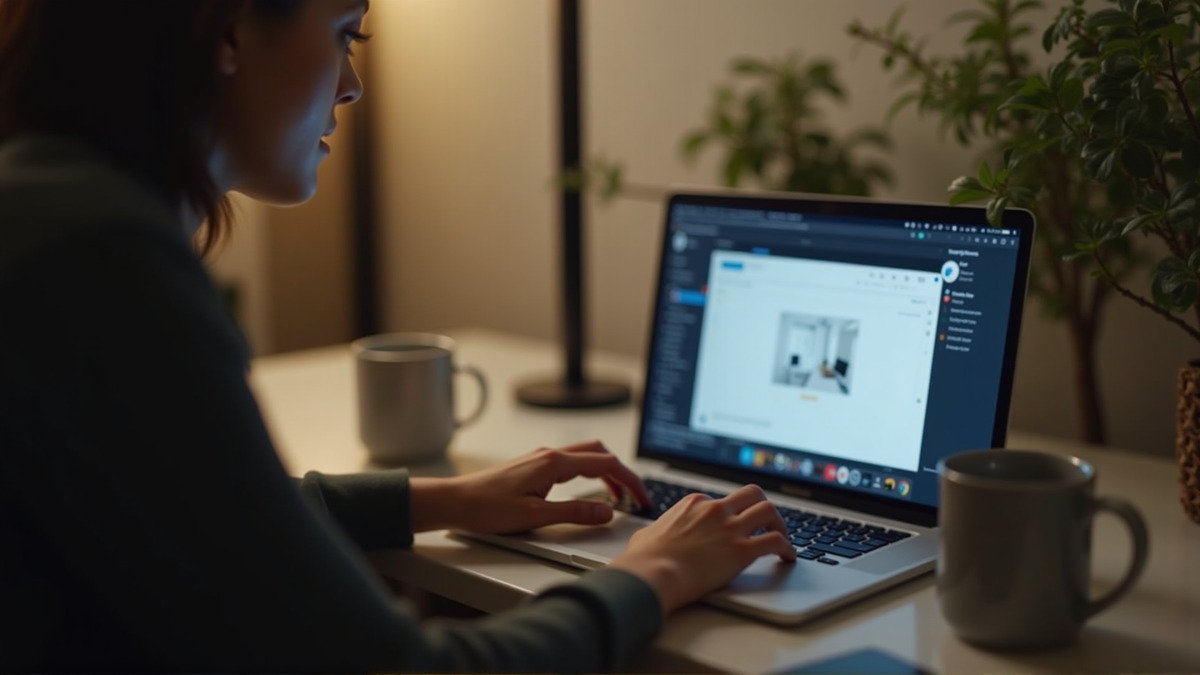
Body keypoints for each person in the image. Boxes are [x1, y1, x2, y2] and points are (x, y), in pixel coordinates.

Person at [0, 0, 797, 671]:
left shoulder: (48, 212)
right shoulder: (100, 260)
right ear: (230, 31)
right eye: (345, 33)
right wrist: (655, 572)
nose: (351, 84)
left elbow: (206, 512)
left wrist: (450, 497)